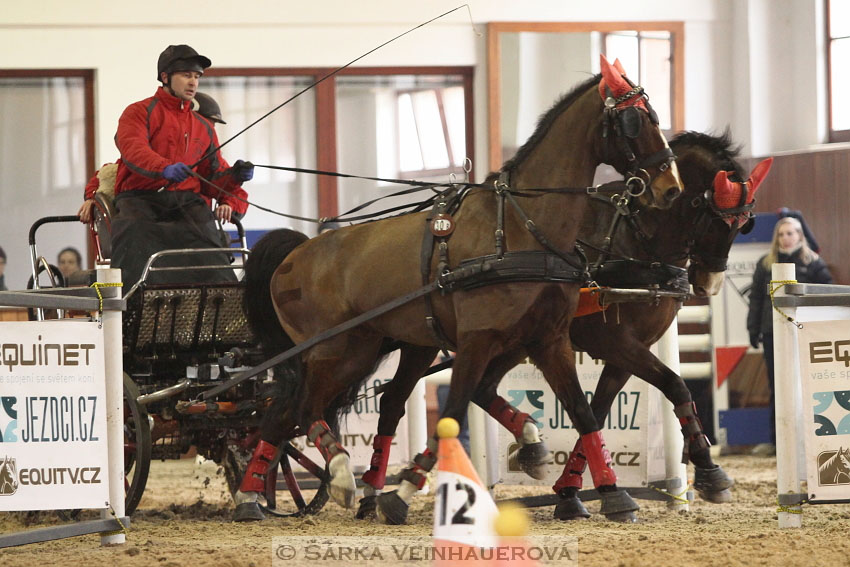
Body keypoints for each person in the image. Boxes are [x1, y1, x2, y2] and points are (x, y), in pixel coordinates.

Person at [81, 45, 253, 288]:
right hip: (141, 200)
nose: (193, 82)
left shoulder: (204, 127)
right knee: (134, 238)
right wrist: (164, 168)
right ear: (165, 77)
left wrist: (234, 177)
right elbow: (133, 150)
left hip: (186, 204)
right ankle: (133, 306)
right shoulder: (138, 112)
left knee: (212, 250)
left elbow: (211, 177)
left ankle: (221, 303)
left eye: (196, 76)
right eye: (186, 75)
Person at [747, 215, 832, 454]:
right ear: (776, 237)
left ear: (800, 235)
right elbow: (755, 300)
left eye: (791, 233)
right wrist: (752, 329)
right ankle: (779, 444)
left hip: (804, 336)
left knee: (806, 387)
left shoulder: (814, 263)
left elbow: (827, 297)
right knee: (778, 388)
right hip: (772, 335)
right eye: (781, 234)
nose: (786, 238)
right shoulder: (765, 263)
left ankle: (810, 443)